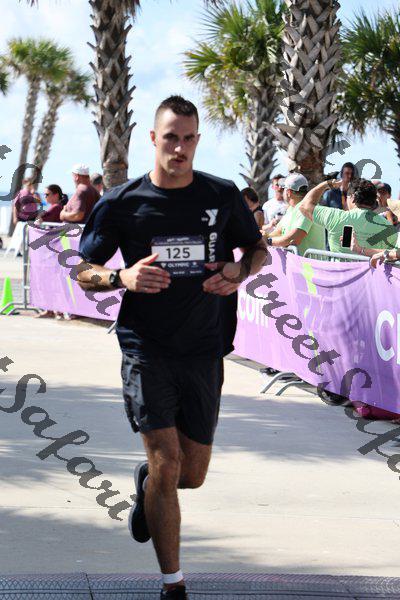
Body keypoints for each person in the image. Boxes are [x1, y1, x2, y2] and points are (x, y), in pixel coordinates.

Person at [77, 95, 266, 600]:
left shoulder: (221, 195)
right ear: (153, 139)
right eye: (169, 138)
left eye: (187, 139)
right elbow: (83, 270)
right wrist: (121, 277)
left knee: (190, 474)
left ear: (197, 141)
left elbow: (258, 249)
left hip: (204, 349)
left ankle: (149, 487)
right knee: (166, 459)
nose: (178, 148)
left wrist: (239, 271)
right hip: (146, 349)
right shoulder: (122, 202)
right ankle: (173, 584)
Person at [299, 178, 398, 255]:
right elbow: (395, 254)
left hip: (340, 274)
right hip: (373, 276)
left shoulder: (336, 217)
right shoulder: (388, 227)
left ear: (352, 198)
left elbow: (304, 206)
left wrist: (326, 184)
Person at [263, 173, 325, 256]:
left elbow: (294, 239)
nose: (282, 191)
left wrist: (268, 241)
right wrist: (264, 236)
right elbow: (279, 232)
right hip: (300, 262)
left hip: (309, 264)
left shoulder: (307, 207)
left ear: (288, 192)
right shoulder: (291, 208)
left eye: (284, 189)